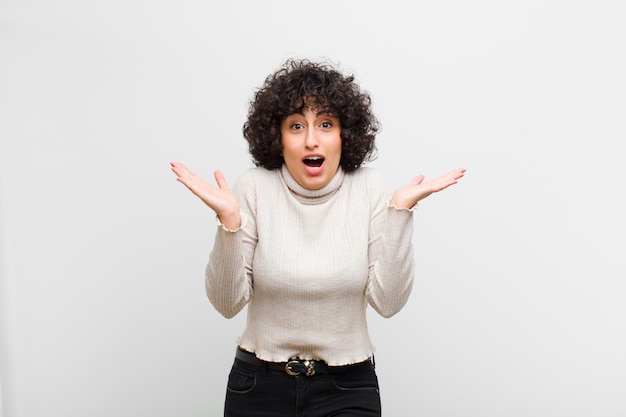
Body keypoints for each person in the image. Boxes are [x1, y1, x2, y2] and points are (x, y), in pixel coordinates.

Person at [170, 58, 465, 417]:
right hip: (259, 385)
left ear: (344, 134)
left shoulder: (370, 189)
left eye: (326, 124)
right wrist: (229, 221)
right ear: (277, 138)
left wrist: (399, 213)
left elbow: (388, 303)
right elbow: (226, 303)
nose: (312, 140)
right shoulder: (254, 187)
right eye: (296, 126)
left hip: (347, 387)